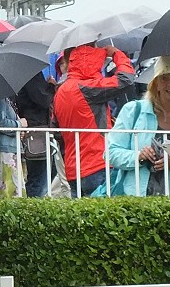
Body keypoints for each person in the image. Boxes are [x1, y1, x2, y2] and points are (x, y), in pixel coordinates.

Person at [103, 56, 170, 196]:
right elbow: (111, 153)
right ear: (156, 84)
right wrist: (138, 156)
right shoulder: (132, 110)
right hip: (135, 198)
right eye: (164, 78)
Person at [51, 43, 134, 196]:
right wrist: (116, 53)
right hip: (97, 163)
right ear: (94, 60)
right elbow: (126, 79)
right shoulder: (88, 87)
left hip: (73, 168)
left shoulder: (60, 91)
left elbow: (57, 132)